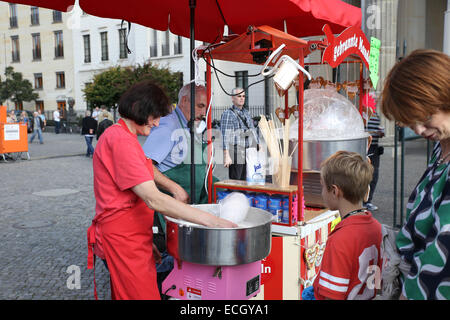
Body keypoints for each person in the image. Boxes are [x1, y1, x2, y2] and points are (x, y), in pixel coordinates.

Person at [86, 80, 236, 300]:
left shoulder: (128, 137)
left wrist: (146, 241)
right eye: (154, 117)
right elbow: (154, 199)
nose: (157, 124)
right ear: (139, 109)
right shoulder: (119, 140)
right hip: (123, 240)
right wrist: (210, 221)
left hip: (135, 237)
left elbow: (146, 171)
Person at [380, 49, 450, 300]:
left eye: (426, 116)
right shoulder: (440, 147)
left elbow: (443, 255)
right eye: (410, 123)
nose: (419, 129)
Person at [142, 83, 211, 293]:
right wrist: (175, 188)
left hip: (187, 214)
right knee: (167, 269)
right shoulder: (168, 128)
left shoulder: (189, 126)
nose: (203, 112)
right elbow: (144, 166)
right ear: (184, 101)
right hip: (168, 217)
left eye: (205, 108)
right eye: (200, 106)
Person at [311, 151, 382, 300]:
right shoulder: (377, 228)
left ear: (335, 191)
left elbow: (332, 295)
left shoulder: (340, 239)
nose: (322, 192)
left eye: (323, 186)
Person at [221, 87, 258, 180]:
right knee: (236, 181)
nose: (242, 98)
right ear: (233, 98)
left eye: (243, 96)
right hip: (236, 152)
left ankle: (242, 194)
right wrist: (226, 155)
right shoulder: (228, 114)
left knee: (246, 180)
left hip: (248, 151)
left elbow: (252, 129)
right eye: (239, 96)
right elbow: (225, 135)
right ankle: (235, 194)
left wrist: (258, 144)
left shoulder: (246, 113)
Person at [364, 94, 385, 211]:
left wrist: (381, 132)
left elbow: (380, 130)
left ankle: (368, 200)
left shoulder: (376, 114)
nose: (376, 102)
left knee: (374, 175)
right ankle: (363, 200)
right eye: (374, 100)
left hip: (375, 148)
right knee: (365, 174)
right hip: (367, 147)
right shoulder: (364, 114)